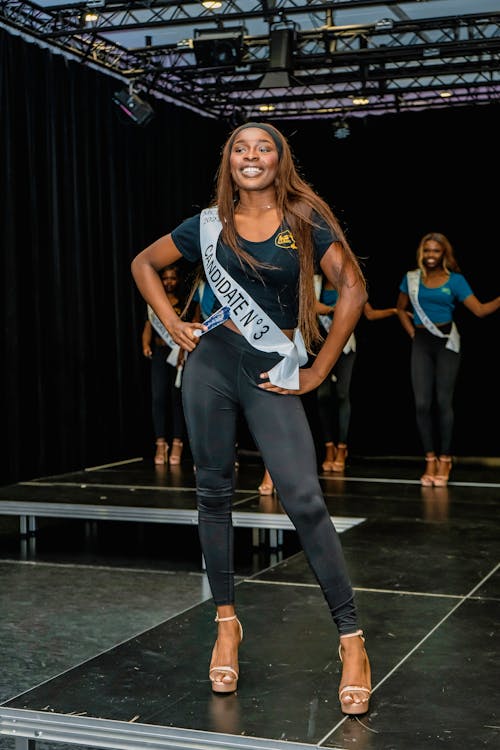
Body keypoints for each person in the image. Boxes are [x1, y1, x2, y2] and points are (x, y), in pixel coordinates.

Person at [131, 122, 371, 715]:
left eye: (263, 147)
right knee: (212, 493)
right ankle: (227, 624)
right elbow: (143, 264)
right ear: (228, 162)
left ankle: (352, 640)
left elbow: (354, 290)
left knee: (304, 497)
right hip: (212, 361)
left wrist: (316, 371)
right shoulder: (207, 224)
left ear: (279, 159)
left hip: (273, 366)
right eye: (241, 148)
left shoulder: (303, 219)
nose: (251, 155)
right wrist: (173, 323)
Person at [396, 232, 499, 486]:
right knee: (422, 403)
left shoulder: (456, 280)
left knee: (443, 402)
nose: (431, 256)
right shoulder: (411, 278)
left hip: (447, 343)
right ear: (422, 252)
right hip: (421, 341)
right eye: (427, 251)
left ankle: (445, 459)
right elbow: (400, 308)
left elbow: (481, 310)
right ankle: (430, 459)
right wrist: (412, 332)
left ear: (444, 254)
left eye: (436, 251)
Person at [316, 273, 403, 473]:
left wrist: (394, 311)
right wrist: (334, 309)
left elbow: (369, 314)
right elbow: (312, 306)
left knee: (342, 394)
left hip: (346, 347)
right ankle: (329, 447)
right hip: (322, 347)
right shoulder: (314, 282)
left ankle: (342, 448)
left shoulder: (349, 284)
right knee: (323, 395)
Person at [141, 264, 186, 465]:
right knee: (158, 396)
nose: (169, 282)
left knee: (177, 398)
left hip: (178, 354)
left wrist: (184, 352)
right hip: (160, 353)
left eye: (172, 278)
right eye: (165, 278)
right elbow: (148, 326)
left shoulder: (185, 303)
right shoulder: (156, 303)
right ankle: (161, 442)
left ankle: (177, 442)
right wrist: (145, 344)